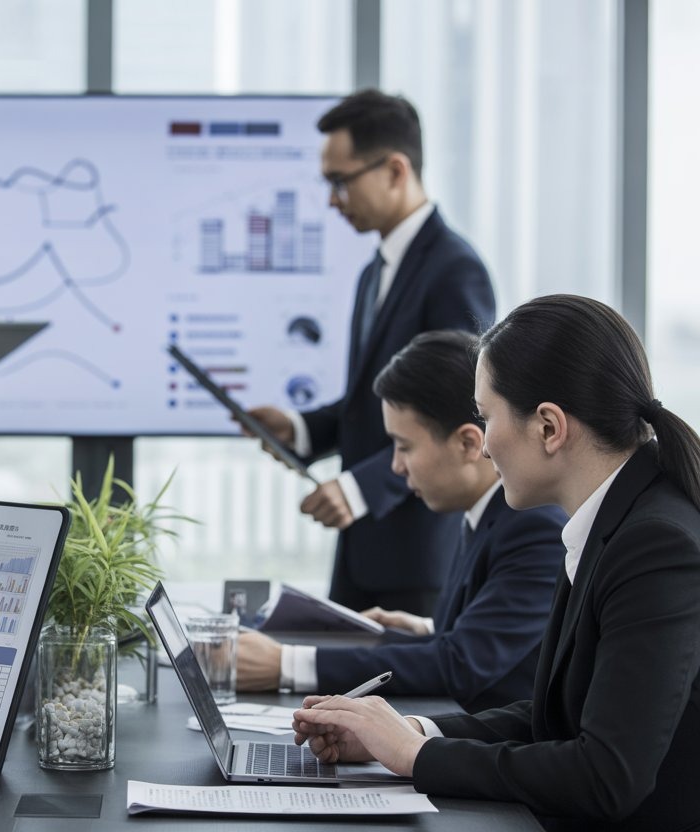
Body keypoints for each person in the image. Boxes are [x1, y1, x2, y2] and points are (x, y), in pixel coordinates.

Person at [293, 295, 700, 831]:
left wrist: (414, 758)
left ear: (549, 428)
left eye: (486, 418)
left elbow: (606, 775)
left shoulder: (653, 544)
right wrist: (410, 732)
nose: (483, 447)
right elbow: (554, 717)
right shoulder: (611, 517)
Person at [245, 89, 496, 616]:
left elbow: (460, 409)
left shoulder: (455, 268)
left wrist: (359, 489)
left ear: (395, 169)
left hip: (417, 554)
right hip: (362, 551)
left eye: (341, 181)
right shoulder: (372, 273)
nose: (333, 199)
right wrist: (301, 428)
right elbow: (379, 402)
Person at [237, 330, 564, 712]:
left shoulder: (536, 528)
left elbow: (460, 664)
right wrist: (427, 630)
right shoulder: (487, 515)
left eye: (404, 446)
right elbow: (487, 643)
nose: (395, 466)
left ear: (469, 444)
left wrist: (285, 665)